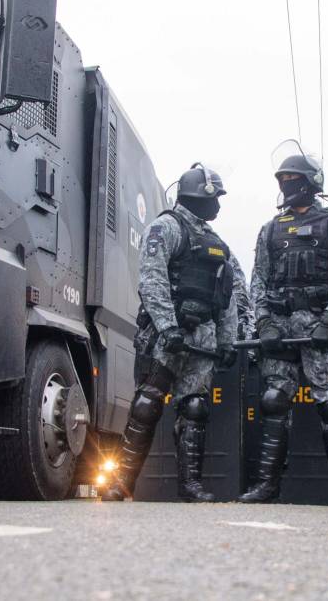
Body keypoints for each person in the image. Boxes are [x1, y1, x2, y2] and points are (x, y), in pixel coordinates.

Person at [101, 164, 238, 502]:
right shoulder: (166, 227)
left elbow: (227, 297)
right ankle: (121, 482)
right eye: (214, 197)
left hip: (202, 339)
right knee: (147, 404)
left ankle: (190, 486)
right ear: (197, 195)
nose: (217, 204)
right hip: (168, 336)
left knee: (195, 408)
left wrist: (226, 340)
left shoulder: (217, 243)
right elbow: (152, 279)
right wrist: (167, 326)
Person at [239, 152, 328, 507]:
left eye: (293, 179)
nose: (287, 185)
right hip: (280, 327)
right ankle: (266, 486)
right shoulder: (270, 229)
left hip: (319, 327)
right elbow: (258, 281)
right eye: (283, 180)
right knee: (273, 401)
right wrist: (263, 322)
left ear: (311, 183)